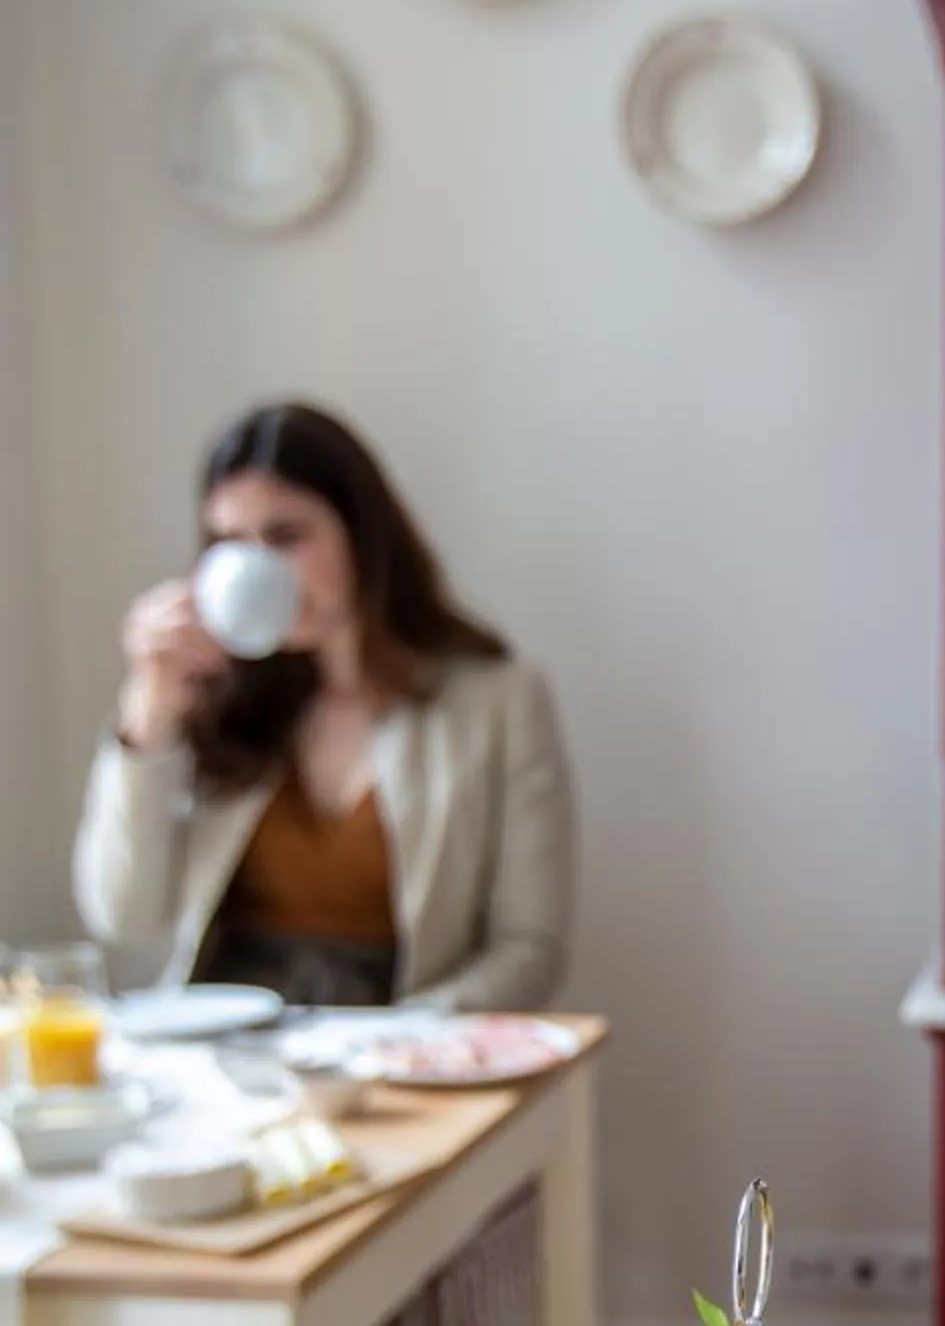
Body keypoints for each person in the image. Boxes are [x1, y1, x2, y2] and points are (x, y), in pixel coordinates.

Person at [75, 402, 574, 1008]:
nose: (258, 567)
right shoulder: (216, 698)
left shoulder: (498, 704)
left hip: (399, 1039)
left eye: (285, 536)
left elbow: (528, 949)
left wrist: (403, 1041)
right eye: (230, 543)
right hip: (228, 1043)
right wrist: (148, 716)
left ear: (361, 533)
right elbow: (122, 914)